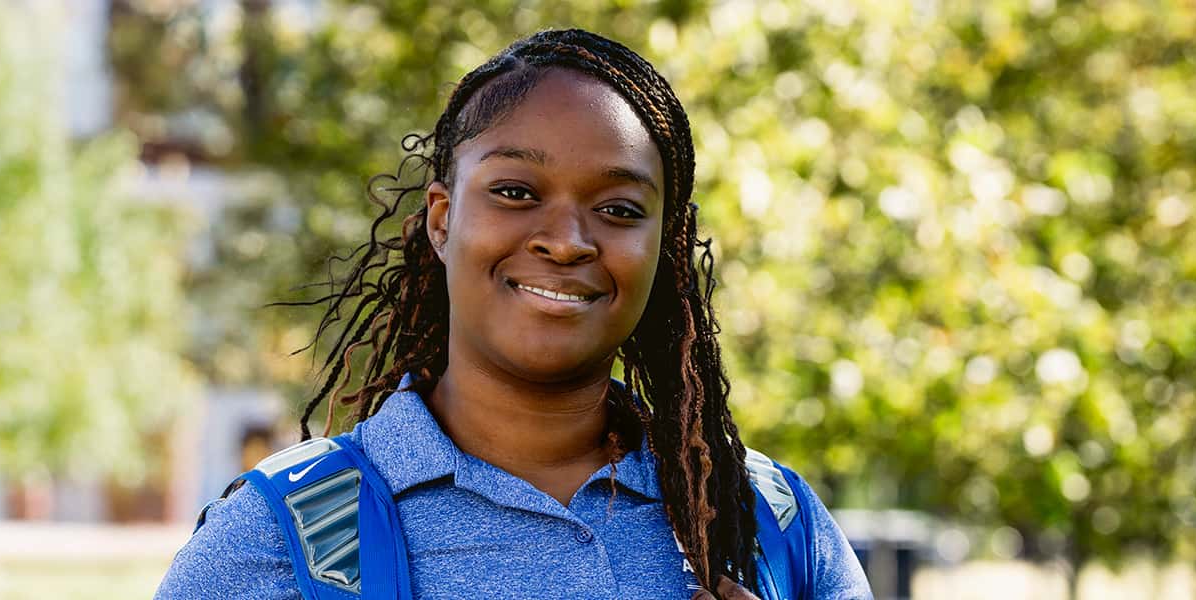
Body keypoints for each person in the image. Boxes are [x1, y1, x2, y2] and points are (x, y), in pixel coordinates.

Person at [156, 29, 872, 599]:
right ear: (441, 219)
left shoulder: (766, 522)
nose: (565, 240)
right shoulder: (284, 538)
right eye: (516, 193)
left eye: (619, 209)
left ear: (666, 249)